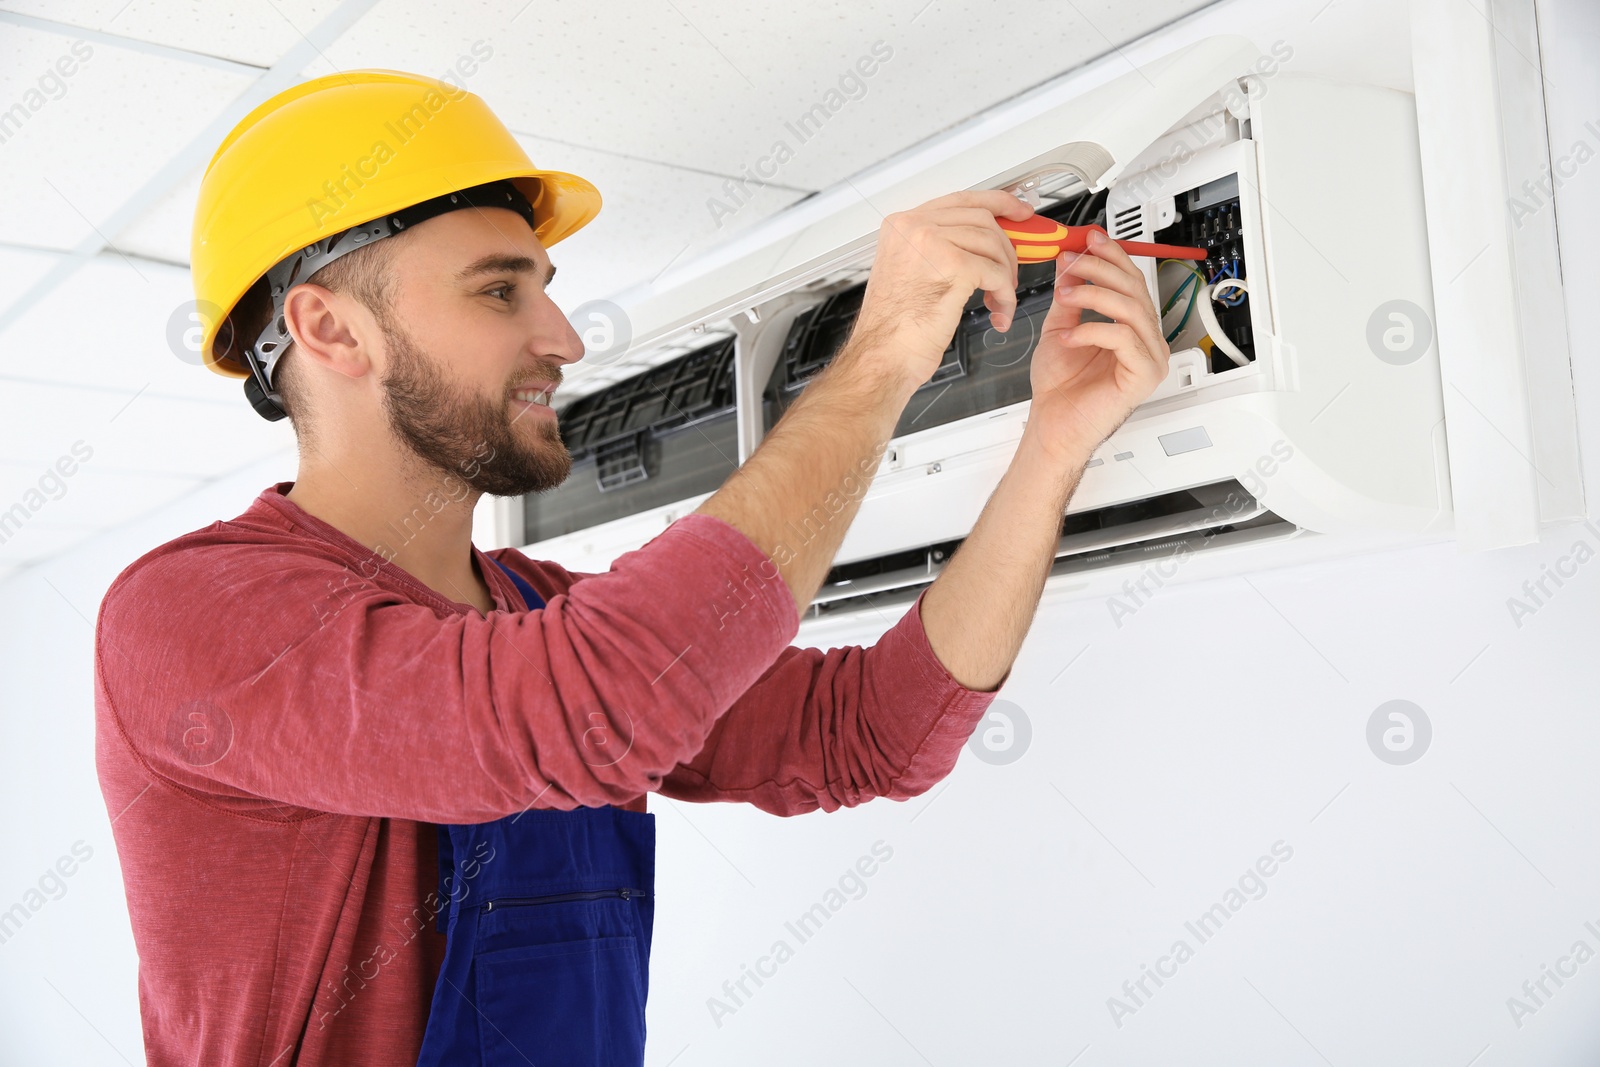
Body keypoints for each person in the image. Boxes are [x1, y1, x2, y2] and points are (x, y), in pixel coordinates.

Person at [92, 69, 1171, 1066]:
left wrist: (1052, 447)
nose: (562, 335)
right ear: (329, 328)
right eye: (498, 291)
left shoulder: (530, 617)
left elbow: (869, 732)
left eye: (545, 288)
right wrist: (884, 348)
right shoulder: (188, 615)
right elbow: (581, 710)